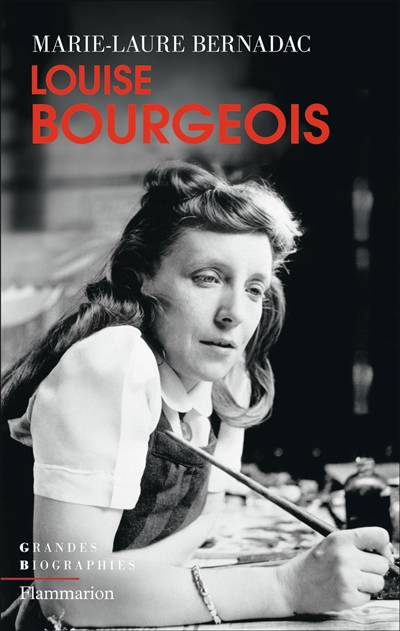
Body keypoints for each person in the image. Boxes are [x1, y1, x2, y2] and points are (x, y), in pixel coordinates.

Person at [1, 161, 392, 629]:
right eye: (207, 277)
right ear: (141, 277)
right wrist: (285, 586)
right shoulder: (113, 359)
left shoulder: (211, 374)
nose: (234, 314)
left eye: (254, 289)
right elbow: (70, 594)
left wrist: (136, 580)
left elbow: (205, 523)